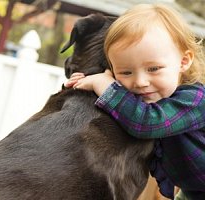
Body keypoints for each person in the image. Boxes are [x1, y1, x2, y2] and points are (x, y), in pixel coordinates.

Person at [64, 3, 205, 200]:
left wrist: (105, 86)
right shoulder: (153, 94)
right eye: (126, 72)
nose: (139, 82)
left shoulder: (196, 101)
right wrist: (90, 81)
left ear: (183, 61)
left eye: (154, 69)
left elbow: (147, 122)